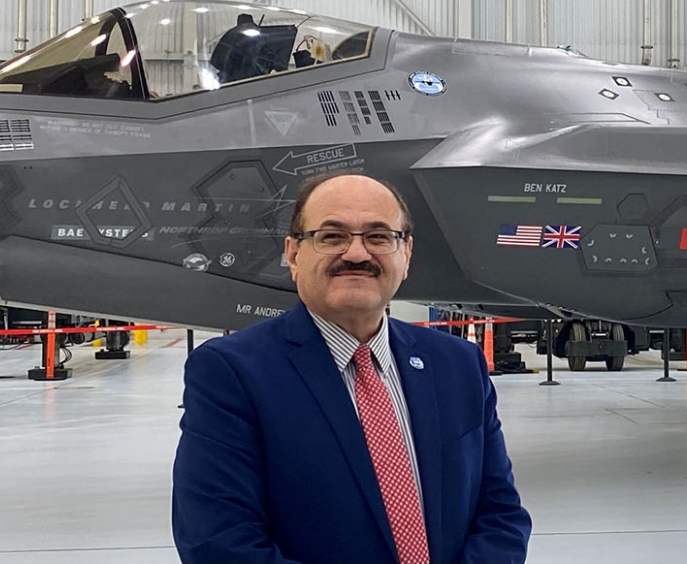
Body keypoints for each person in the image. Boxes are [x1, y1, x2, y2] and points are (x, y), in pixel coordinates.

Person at [172, 172, 532, 564]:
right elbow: (218, 541)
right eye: (332, 236)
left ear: (406, 253)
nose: (357, 254)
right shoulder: (232, 373)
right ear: (293, 254)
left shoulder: (458, 364)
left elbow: (501, 515)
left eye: (379, 237)